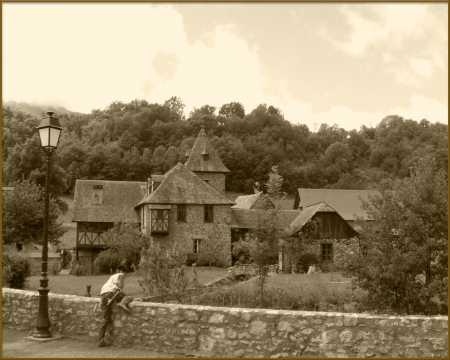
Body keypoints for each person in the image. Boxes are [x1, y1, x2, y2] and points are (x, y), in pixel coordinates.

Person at [97, 265, 133, 347]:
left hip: (103, 296)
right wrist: (122, 287)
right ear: (122, 271)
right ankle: (122, 304)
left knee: (105, 318)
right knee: (129, 297)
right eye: (125, 273)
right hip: (111, 293)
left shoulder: (111, 278)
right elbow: (120, 287)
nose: (125, 276)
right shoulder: (120, 275)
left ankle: (100, 340)